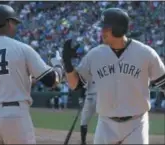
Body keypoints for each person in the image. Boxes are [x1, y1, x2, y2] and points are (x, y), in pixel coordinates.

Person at [0, 4, 63, 144]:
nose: (15, 26)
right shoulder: (22, 48)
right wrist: (58, 65)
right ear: (8, 22)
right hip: (14, 116)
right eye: (14, 22)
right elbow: (52, 81)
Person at [62, 8, 165, 144]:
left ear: (118, 29)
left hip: (136, 124)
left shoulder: (146, 54)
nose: (102, 32)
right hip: (106, 124)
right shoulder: (95, 55)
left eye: (105, 28)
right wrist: (68, 65)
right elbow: (75, 85)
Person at [80, 80, 97, 145]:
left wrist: (81, 98)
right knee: (103, 119)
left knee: (84, 121)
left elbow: (83, 86)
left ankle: (83, 141)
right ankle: (83, 141)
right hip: (97, 96)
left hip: (91, 96)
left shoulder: (87, 71)